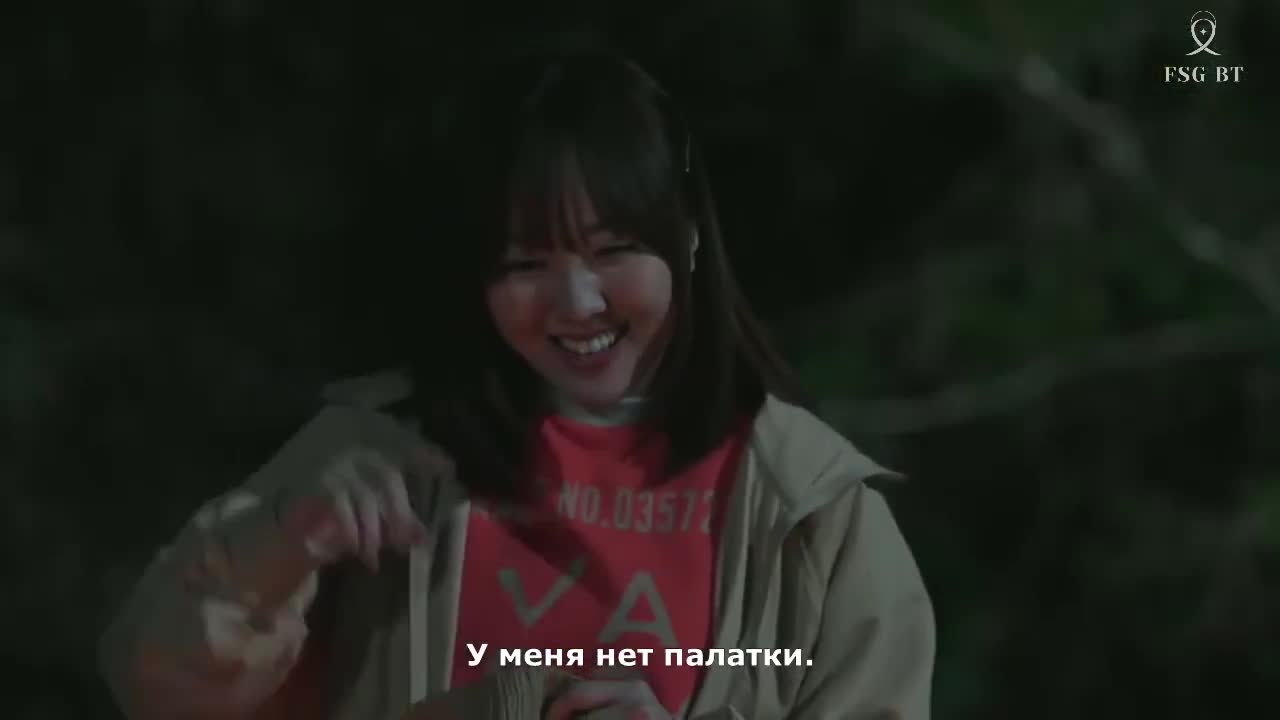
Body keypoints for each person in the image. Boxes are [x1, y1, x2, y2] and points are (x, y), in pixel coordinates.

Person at [98, 46, 935, 720]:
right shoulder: (377, 456)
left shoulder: (811, 508)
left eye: (613, 251)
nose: (577, 303)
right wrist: (279, 543)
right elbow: (157, 689)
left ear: (685, 240)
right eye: (526, 264)